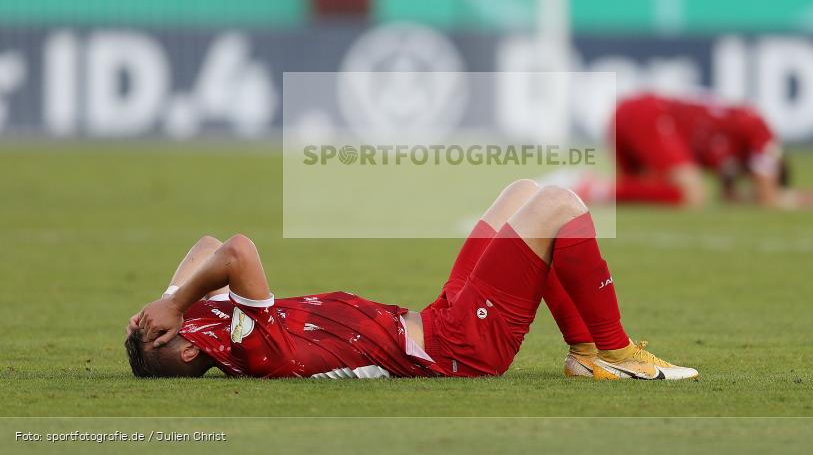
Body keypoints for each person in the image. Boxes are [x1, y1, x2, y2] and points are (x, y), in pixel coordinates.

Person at [126, 180, 698, 381]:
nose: (185, 316)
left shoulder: (206, 324)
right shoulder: (250, 346)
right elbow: (235, 251)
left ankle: (585, 355)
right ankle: (616, 352)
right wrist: (174, 303)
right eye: (174, 327)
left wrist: (169, 301)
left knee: (521, 192)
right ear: (185, 350)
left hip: (440, 318)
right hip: (460, 349)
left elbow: (205, 247)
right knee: (559, 206)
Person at [573, 93, 813, 208]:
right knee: (693, 194)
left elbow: (730, 198)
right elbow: (768, 197)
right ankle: (593, 188)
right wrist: (793, 199)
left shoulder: (734, 158)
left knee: (646, 188)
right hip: (650, 115)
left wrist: (748, 197)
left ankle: (582, 186)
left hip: (630, 112)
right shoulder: (762, 133)